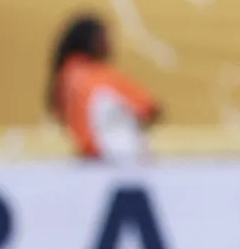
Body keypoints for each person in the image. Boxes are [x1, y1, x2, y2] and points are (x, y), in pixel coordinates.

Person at [47, 14, 159, 162]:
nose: (109, 44)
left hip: (86, 159)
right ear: (90, 41)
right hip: (113, 159)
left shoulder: (65, 76)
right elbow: (150, 107)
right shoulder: (98, 77)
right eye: (104, 38)